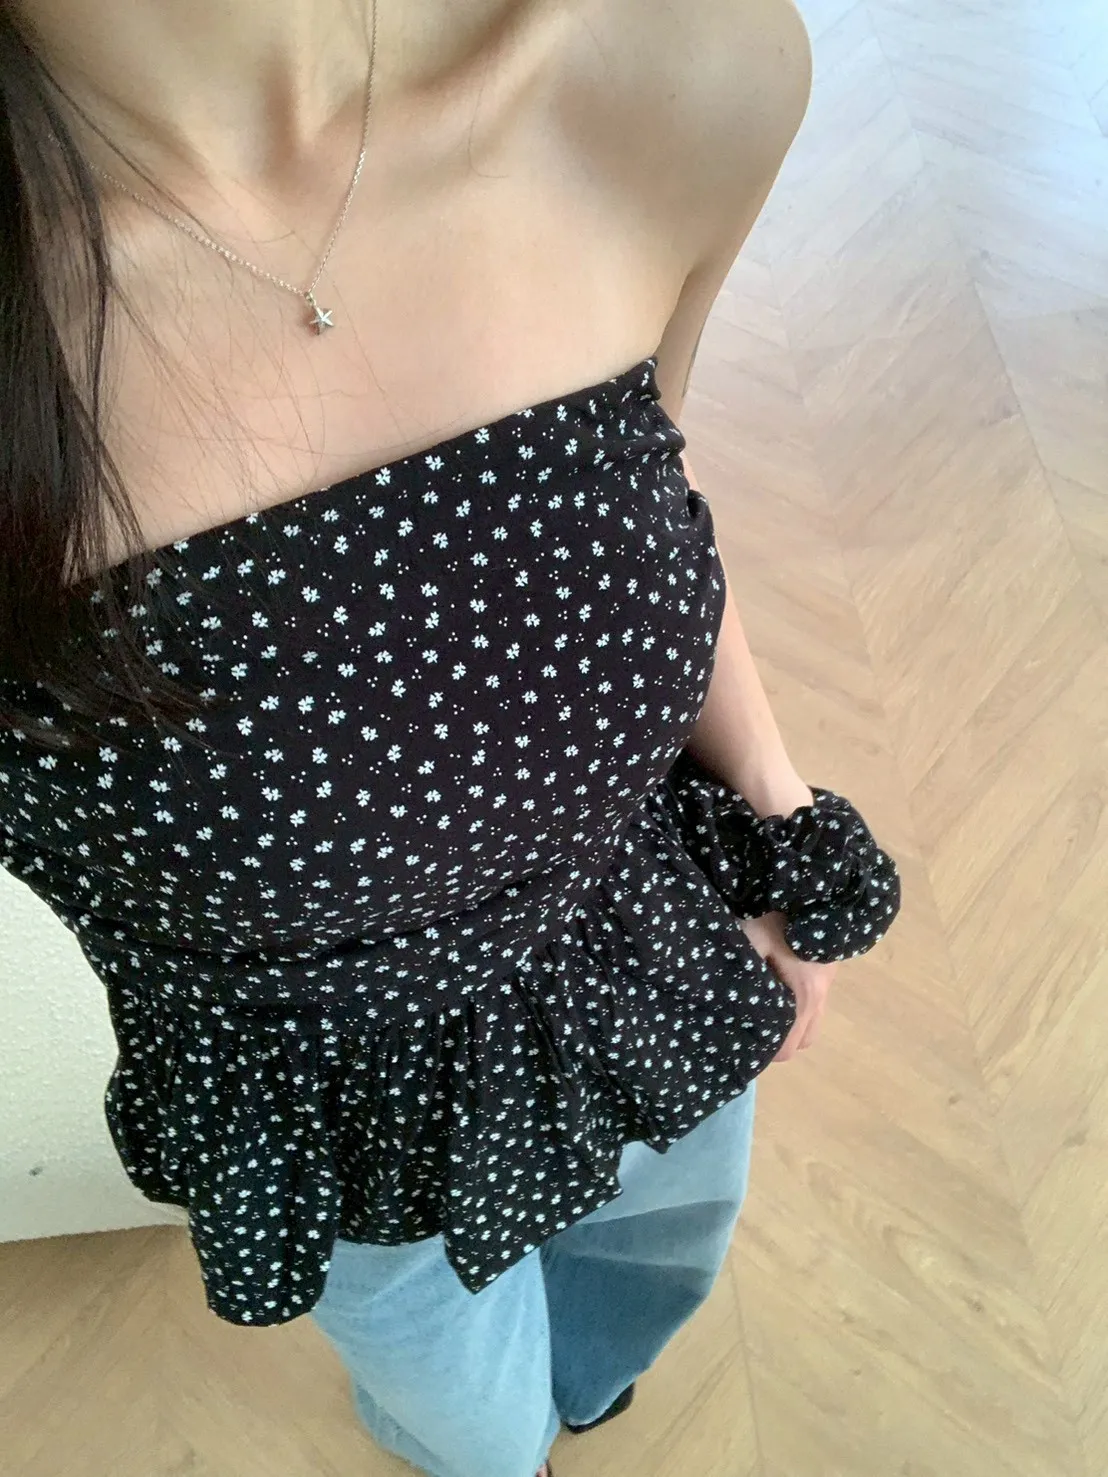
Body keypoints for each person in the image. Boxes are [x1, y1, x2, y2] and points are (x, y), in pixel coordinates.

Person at [0, 2, 901, 1475]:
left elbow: (646, 499)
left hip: (649, 933)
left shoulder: (673, 65)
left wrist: (774, 806)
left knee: (656, 1262)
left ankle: (589, 1391)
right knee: (471, 1425)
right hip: (340, 1101)